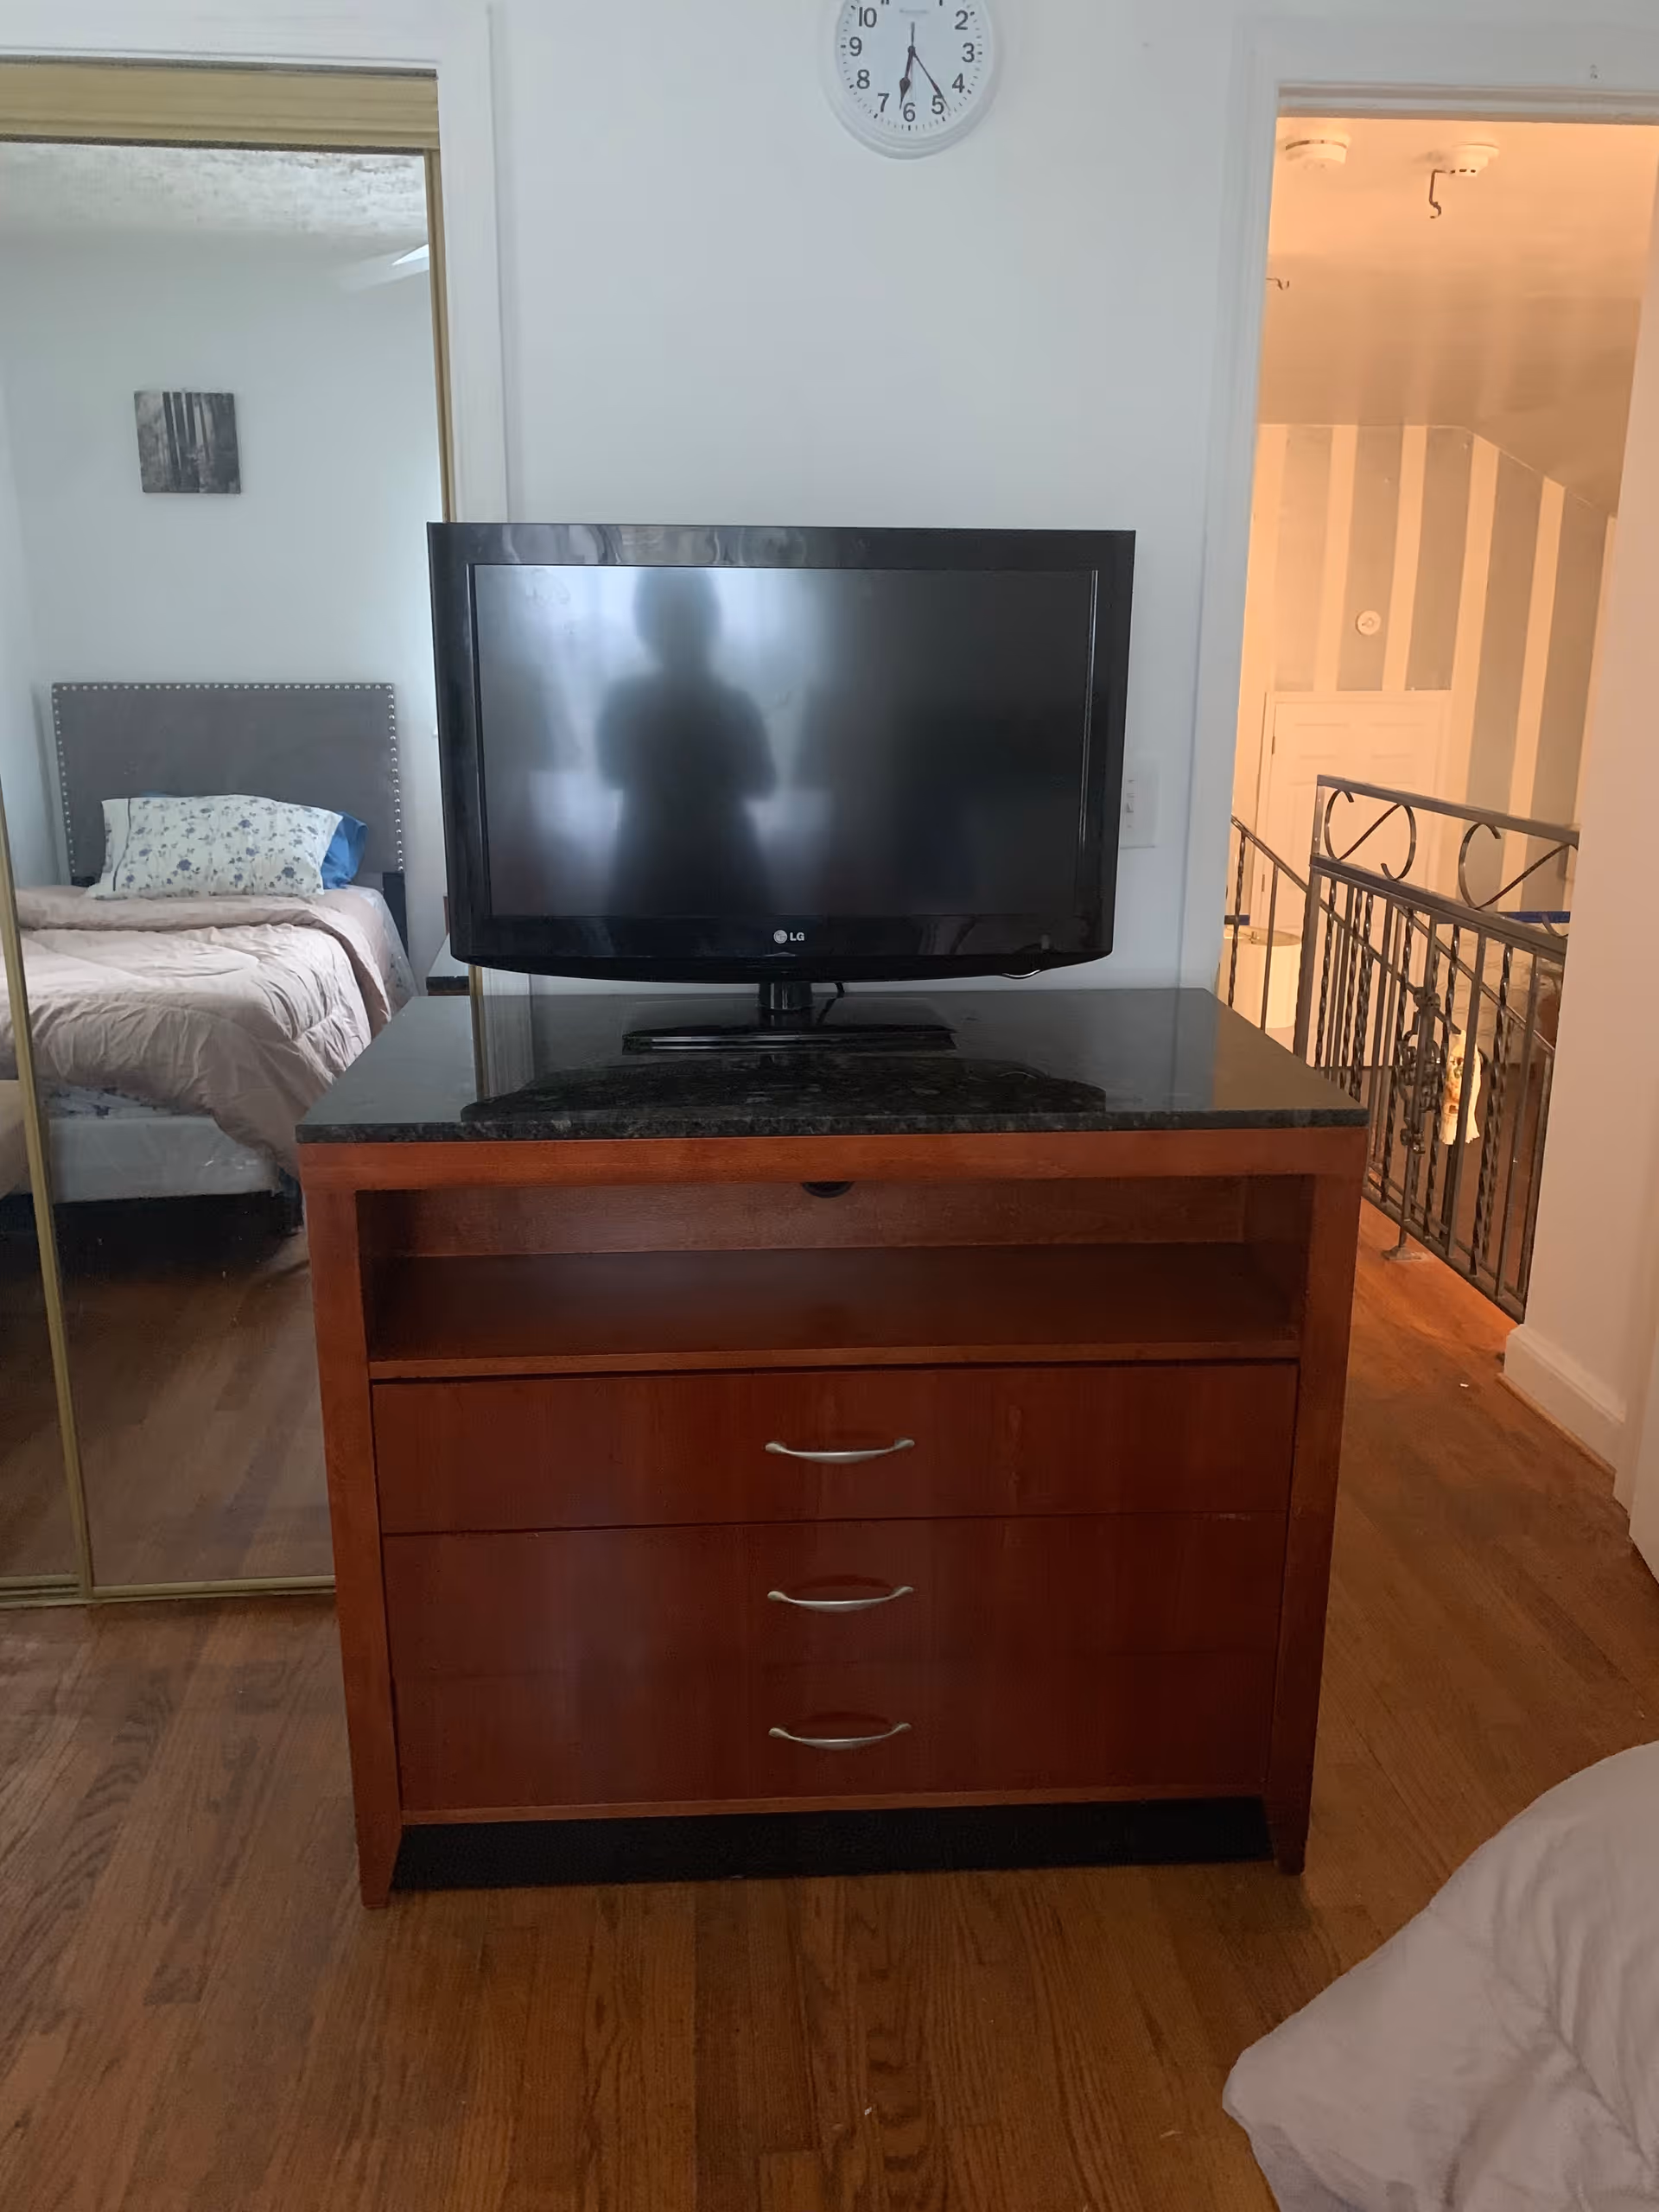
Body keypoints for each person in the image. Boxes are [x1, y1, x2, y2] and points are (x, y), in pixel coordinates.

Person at [597, 569, 775, 916]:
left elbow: (611, 773)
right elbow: (762, 782)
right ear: (711, 623)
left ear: (646, 627)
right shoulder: (734, 703)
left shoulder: (626, 699)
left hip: (658, 862)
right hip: (711, 862)